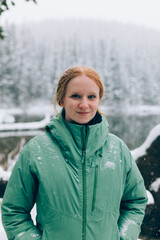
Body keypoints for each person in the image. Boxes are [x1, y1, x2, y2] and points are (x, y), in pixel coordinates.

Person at [2, 66, 148, 240]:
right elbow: (14, 211)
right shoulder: (36, 151)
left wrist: (124, 237)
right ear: (62, 99)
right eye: (75, 96)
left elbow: (135, 202)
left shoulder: (118, 150)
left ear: (99, 100)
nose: (84, 104)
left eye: (91, 97)